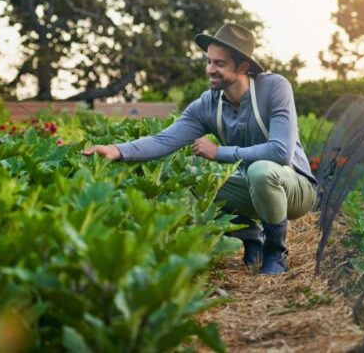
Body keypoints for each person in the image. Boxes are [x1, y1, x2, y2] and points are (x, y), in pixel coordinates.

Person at [83, 23, 317, 275]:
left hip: (293, 187)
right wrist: (116, 150)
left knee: (261, 171)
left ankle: (275, 252)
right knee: (190, 176)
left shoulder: (274, 88)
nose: (210, 70)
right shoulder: (207, 105)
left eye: (219, 64)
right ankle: (251, 236)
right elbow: (163, 141)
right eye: (208, 61)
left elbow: (280, 152)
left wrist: (220, 153)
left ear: (243, 67)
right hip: (250, 186)